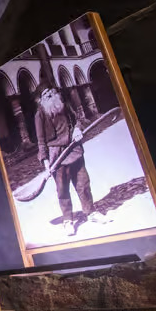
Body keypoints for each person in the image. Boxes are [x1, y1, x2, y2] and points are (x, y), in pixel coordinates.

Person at [34, 83, 109, 236]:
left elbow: (77, 121)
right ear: (40, 99)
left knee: (83, 184)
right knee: (62, 190)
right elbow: (41, 142)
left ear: (56, 92)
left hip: (73, 149)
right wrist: (46, 164)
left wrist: (76, 130)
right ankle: (68, 220)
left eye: (51, 91)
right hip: (57, 157)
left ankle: (91, 212)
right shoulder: (39, 115)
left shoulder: (64, 105)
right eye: (45, 94)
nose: (49, 95)